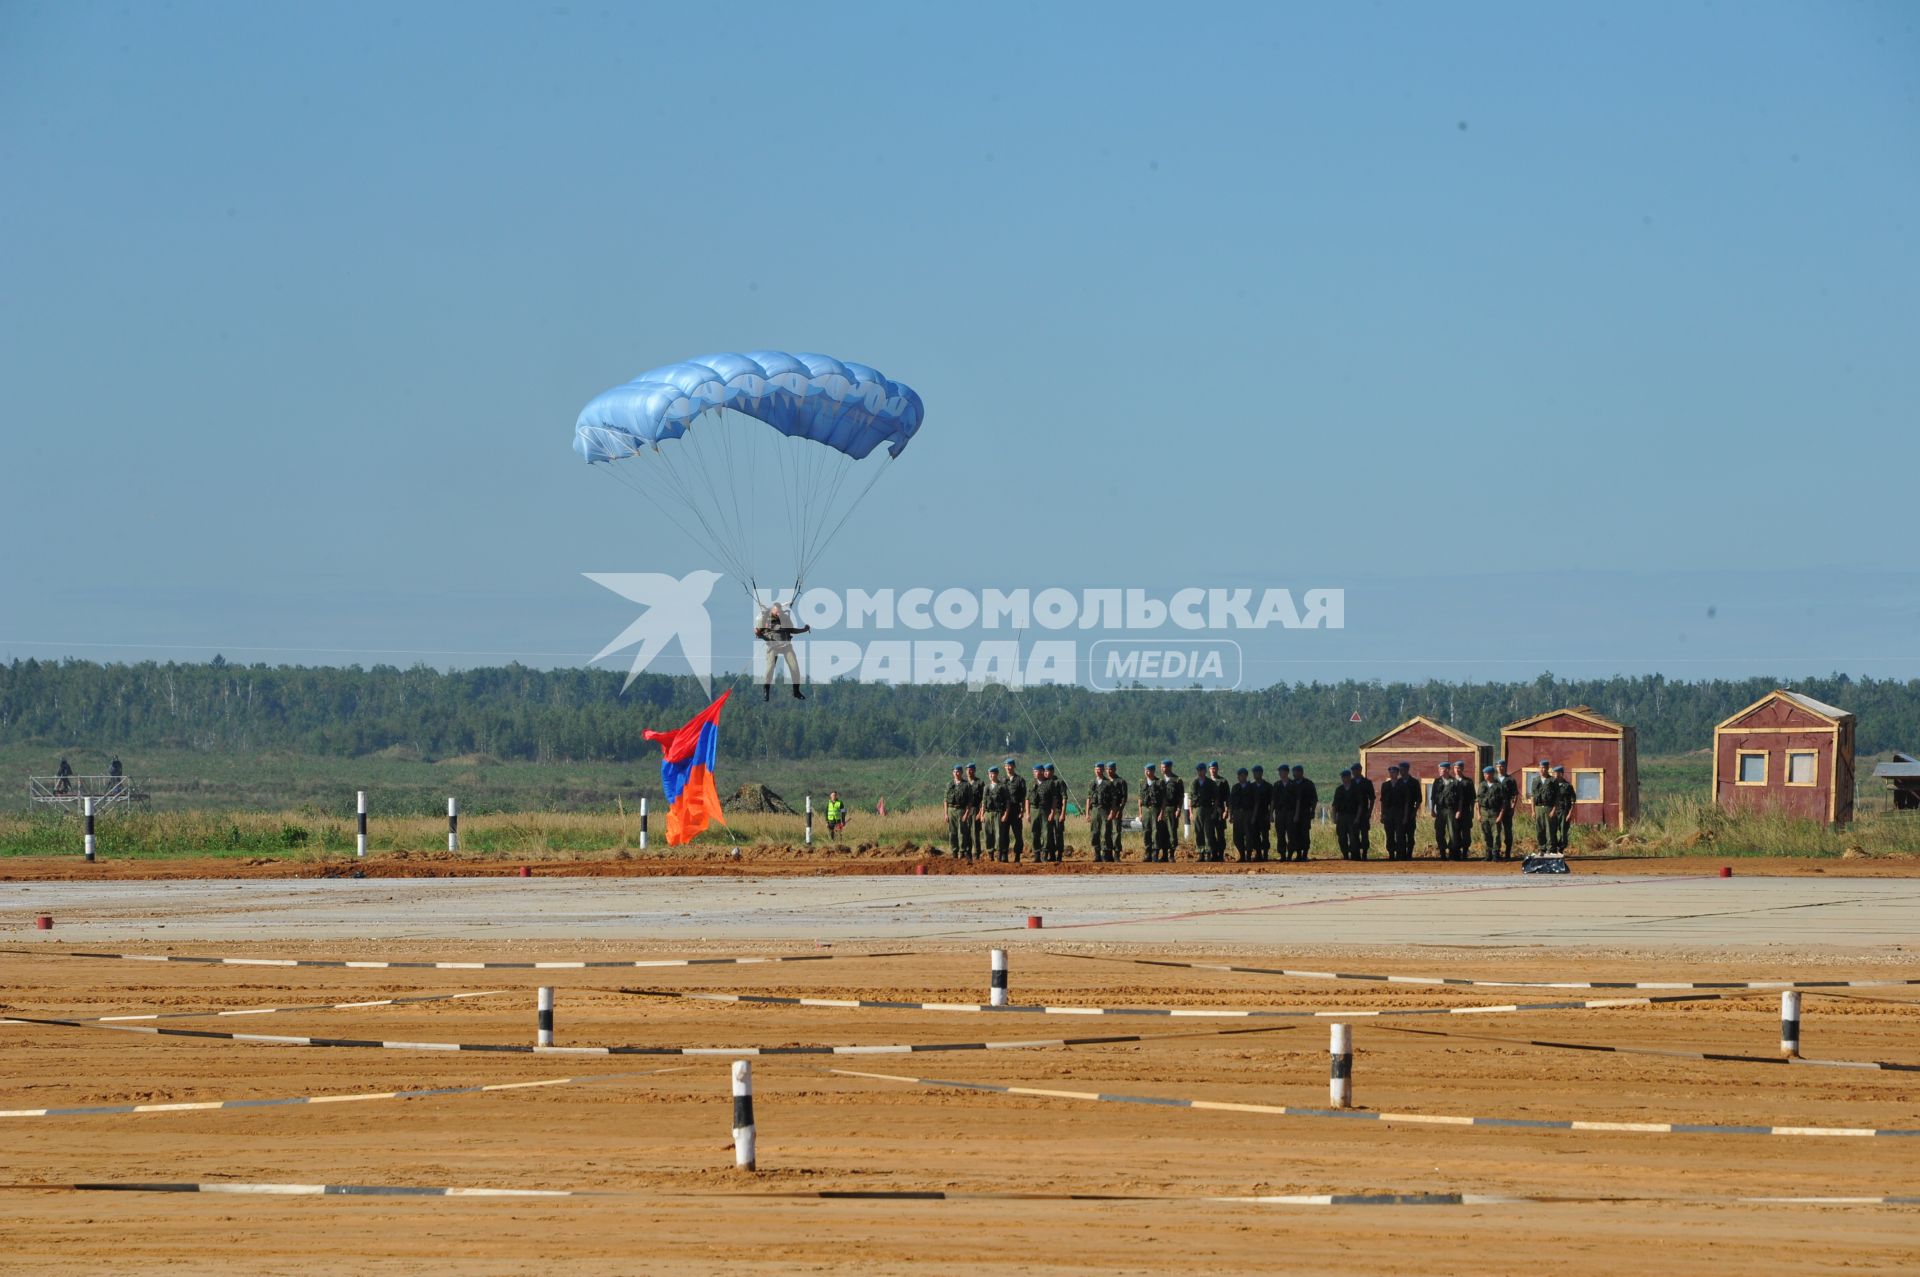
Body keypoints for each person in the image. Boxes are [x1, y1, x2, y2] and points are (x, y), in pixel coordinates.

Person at [754, 602, 811, 700]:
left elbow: (792, 630)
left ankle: (796, 691)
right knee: (770, 668)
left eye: (779, 612)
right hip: (772, 645)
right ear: (772, 610)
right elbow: (759, 634)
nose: (778, 614)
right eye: (776, 612)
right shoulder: (764, 618)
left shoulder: (784, 617)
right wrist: (759, 633)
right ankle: (766, 691)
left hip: (786, 646)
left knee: (795, 668)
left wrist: (804, 629)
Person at [1446, 759, 1476, 860]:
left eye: (1459, 768)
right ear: (1453, 769)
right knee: (1454, 832)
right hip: (1453, 811)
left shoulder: (1468, 782)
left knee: (1466, 833)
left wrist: (1472, 812)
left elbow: (1472, 798)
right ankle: (1455, 853)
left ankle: (1465, 852)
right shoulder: (1450, 781)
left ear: (1463, 769)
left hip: (1466, 810)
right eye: (1455, 768)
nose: (1457, 770)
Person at [1477, 766, 1507, 861]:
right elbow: (1477, 801)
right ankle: (1488, 853)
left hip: (1495, 813)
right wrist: (1478, 814)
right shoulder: (1482, 785)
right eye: (1484, 774)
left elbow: (1504, 803)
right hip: (1484, 812)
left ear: (1491, 774)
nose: (1485, 775)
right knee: (1486, 834)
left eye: (1486, 774)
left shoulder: (1499, 786)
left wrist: (1500, 816)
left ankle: (1495, 854)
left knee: (1496, 834)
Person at [1140, 763, 1169, 863]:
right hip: (1145, 809)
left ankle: (1155, 853)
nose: (1147, 773)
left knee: (1156, 831)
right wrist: (1140, 813)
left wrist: (1162, 812)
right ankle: (1147, 852)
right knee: (1146, 831)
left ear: (1153, 771)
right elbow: (1140, 799)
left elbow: (1164, 799)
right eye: (1146, 771)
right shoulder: (1142, 782)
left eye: (1149, 771)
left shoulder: (1159, 782)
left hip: (1155, 809)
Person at [1289, 765, 1317, 862]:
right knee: (1295, 833)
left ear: (1301, 772)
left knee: (1305, 833)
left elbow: (1314, 799)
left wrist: (1312, 810)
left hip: (1305, 812)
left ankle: (1304, 854)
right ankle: (1298, 854)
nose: (1294, 774)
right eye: (1293, 772)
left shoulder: (1308, 784)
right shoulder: (1291, 784)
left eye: (1296, 772)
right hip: (1293, 812)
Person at [1158, 760, 1185, 860]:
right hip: (1161, 810)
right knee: (1162, 832)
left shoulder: (1177, 780)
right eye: (1161, 767)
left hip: (1171, 808)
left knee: (1172, 831)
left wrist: (1178, 809)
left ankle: (1171, 854)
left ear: (1169, 767)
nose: (1162, 769)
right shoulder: (1159, 780)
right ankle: (1164, 854)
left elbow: (1181, 797)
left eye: (1164, 767)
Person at [945, 765, 973, 860]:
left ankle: (962, 852)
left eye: (958, 772)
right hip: (951, 810)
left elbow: (969, 802)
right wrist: (945, 814)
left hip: (962, 810)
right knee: (952, 832)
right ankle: (954, 852)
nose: (956, 773)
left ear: (961, 773)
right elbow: (945, 800)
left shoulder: (966, 785)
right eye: (954, 772)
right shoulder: (949, 784)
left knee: (962, 832)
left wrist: (966, 813)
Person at [1000, 757, 1026, 862]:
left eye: (1010, 765)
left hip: (1015, 810)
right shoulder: (1001, 780)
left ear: (1014, 766)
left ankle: (1017, 855)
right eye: (1006, 766)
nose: (1008, 768)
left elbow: (1023, 797)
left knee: (1018, 835)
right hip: (1004, 811)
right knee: (1004, 834)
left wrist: (1022, 810)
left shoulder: (1020, 780)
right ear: (1004, 767)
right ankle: (1004, 854)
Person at [1330, 768, 1360, 859]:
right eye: (1342, 777)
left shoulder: (1356, 789)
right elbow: (1334, 805)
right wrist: (1334, 817)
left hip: (1352, 816)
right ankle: (1345, 855)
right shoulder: (1339, 789)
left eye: (1345, 777)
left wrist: (1357, 817)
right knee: (1342, 838)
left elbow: (1360, 805)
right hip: (1341, 817)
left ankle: (1354, 855)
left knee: (1353, 838)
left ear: (1349, 777)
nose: (1344, 779)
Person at [1190, 763, 1215, 861]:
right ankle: (1200, 853)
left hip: (1208, 809)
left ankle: (1208, 854)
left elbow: (1216, 798)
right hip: (1197, 809)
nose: (1200, 772)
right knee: (1198, 832)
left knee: (1208, 832)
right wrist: (1191, 813)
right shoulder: (1194, 783)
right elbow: (1191, 798)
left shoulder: (1210, 783)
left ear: (1205, 771)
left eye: (1201, 770)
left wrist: (1214, 811)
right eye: (1198, 770)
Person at [1103, 762, 1128, 860]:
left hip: (1117, 808)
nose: (1109, 771)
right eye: (1107, 769)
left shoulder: (1121, 781)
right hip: (1105, 810)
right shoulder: (1104, 781)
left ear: (1115, 769)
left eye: (1111, 769)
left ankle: (1116, 852)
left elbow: (1124, 798)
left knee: (1117, 831)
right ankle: (1107, 852)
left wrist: (1120, 810)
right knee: (1106, 831)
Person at [1269, 764, 1295, 860]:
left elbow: (1297, 801)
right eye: (1280, 772)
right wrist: (1271, 814)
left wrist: (1296, 814)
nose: (1281, 773)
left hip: (1290, 812)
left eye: (1282, 771)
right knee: (1280, 834)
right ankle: (1282, 854)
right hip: (1279, 812)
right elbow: (1273, 801)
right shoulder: (1277, 785)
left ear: (1287, 772)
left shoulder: (1293, 784)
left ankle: (1290, 854)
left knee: (1291, 834)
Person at [1430, 762, 1456, 859]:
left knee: (1452, 832)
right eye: (1440, 769)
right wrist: (1432, 810)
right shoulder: (1437, 781)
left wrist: (1458, 811)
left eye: (1443, 770)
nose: (1440, 771)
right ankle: (1442, 852)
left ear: (1448, 770)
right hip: (1440, 810)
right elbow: (1432, 797)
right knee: (1439, 832)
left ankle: (1452, 852)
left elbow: (1460, 798)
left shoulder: (1454, 781)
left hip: (1450, 810)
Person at [1494, 759, 1519, 858]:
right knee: (1496, 830)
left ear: (1505, 767)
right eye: (1498, 766)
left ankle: (1508, 851)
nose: (1500, 768)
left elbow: (1515, 795)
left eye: (1502, 766)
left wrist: (1513, 808)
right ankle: (1496, 851)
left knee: (1508, 830)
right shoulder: (1494, 779)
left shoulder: (1510, 780)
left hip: (1507, 808)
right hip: (1496, 808)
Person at [1530, 760, 1556, 853]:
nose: (1543, 769)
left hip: (1549, 808)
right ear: (1538, 769)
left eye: (1545, 768)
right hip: (1538, 808)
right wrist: (1533, 811)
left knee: (1550, 830)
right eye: (1541, 768)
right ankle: (1542, 848)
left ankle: (1550, 849)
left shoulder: (1553, 780)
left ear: (1548, 768)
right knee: (1539, 830)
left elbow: (1557, 797)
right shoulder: (1535, 780)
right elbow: (1532, 796)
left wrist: (1554, 810)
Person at [1087, 763, 1110, 862]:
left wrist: (1112, 811)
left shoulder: (1108, 782)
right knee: (1095, 832)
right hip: (1095, 809)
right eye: (1096, 769)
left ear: (1103, 770)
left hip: (1105, 809)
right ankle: (1097, 854)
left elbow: (1113, 799)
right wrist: (1087, 813)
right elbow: (1089, 798)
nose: (1097, 771)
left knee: (1105, 832)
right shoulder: (1092, 783)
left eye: (1099, 769)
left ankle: (1105, 853)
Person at [1351, 764, 1375, 858]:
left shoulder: (1367, 783)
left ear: (1360, 770)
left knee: (1364, 833)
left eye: (1355, 770)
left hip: (1364, 812)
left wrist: (1370, 812)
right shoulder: (1351, 782)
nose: (1354, 772)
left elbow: (1372, 798)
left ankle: (1364, 852)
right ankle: (1356, 853)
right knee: (1354, 834)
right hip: (1352, 813)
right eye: (1353, 770)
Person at [1550, 764, 1576, 853]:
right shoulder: (1551, 785)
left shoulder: (1568, 786)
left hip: (1564, 811)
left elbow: (1573, 801)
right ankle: (1553, 848)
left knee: (1563, 832)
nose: (1553, 775)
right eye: (1553, 773)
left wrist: (1570, 813)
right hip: (1553, 811)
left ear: (1561, 774)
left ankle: (1561, 848)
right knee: (1552, 830)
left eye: (1555, 773)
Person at [1206, 761, 1229, 860]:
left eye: (1214, 768)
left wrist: (1226, 811)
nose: (1213, 770)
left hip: (1220, 810)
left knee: (1220, 833)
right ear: (1209, 770)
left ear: (1217, 769)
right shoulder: (1206, 781)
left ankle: (1220, 854)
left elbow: (1227, 798)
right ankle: (1213, 853)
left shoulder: (1223, 781)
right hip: (1208, 810)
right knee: (1209, 833)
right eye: (1211, 768)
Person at [1229, 768, 1253, 861]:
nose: (1241, 777)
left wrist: (1253, 815)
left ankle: (1249, 856)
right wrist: (1231, 815)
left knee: (1249, 835)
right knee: (1237, 836)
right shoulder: (1235, 787)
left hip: (1248, 813)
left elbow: (1255, 802)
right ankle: (1242, 855)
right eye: (1239, 775)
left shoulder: (1251, 787)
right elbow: (1231, 802)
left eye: (1243, 775)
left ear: (1246, 776)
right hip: (1237, 813)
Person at [1250, 766, 1272, 861]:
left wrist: (1270, 814)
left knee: (1265, 835)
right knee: (1255, 835)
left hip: (1264, 813)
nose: (1256, 774)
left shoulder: (1268, 786)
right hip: (1253, 814)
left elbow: (1272, 802)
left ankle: (1266, 854)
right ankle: (1258, 853)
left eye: (1258, 772)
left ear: (1262, 773)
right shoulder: (1251, 786)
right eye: (1254, 773)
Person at [982, 767, 1004, 859]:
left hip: (998, 813)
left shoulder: (1002, 786)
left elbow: (1007, 801)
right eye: (989, 773)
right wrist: (982, 814)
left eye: (993, 773)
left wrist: (1005, 814)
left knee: (998, 835)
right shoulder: (986, 787)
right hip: (987, 813)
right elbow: (983, 801)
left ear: (997, 774)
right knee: (988, 834)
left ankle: (999, 853)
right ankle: (990, 853)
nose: (991, 775)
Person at [964, 763, 986, 858]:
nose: (969, 771)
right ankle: (967, 853)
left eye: (971, 769)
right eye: (968, 769)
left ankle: (977, 853)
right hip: (965, 810)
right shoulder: (963, 783)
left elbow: (983, 799)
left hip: (975, 809)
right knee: (966, 832)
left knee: (975, 833)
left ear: (974, 770)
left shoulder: (980, 783)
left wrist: (980, 812)